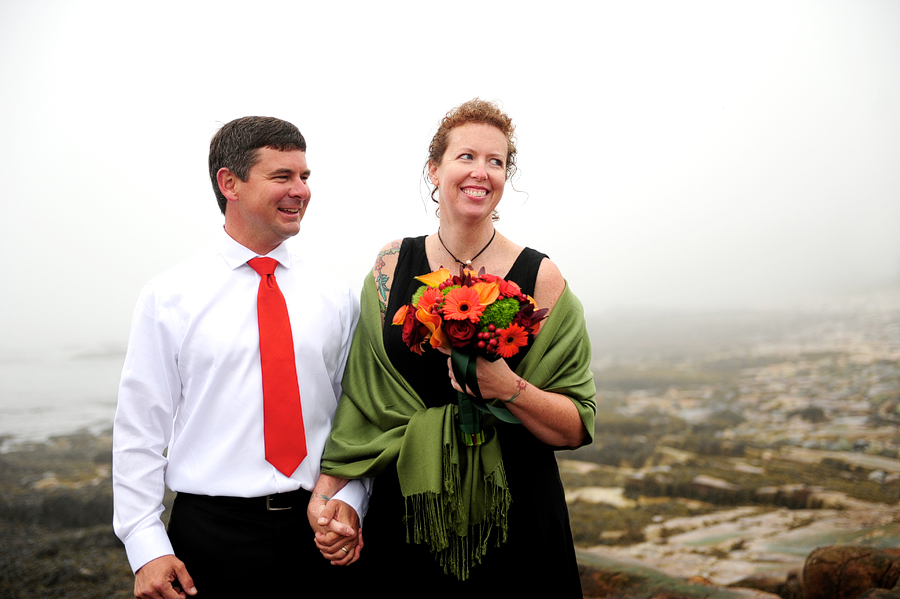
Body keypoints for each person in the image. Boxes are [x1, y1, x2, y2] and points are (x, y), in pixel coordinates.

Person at [321, 99, 596, 596]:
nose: (482, 172)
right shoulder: (389, 265)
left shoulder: (543, 278)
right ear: (434, 169)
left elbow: (576, 425)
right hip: (408, 509)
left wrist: (508, 388)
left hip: (515, 512)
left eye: (497, 161)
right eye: (466, 156)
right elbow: (362, 398)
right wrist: (332, 493)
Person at [112, 116, 369, 599]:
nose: (301, 191)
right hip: (210, 539)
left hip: (321, 532)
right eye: (282, 177)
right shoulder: (169, 296)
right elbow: (139, 430)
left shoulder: (336, 295)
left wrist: (352, 501)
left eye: (305, 177)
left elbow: (355, 416)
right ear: (229, 183)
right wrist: (145, 545)